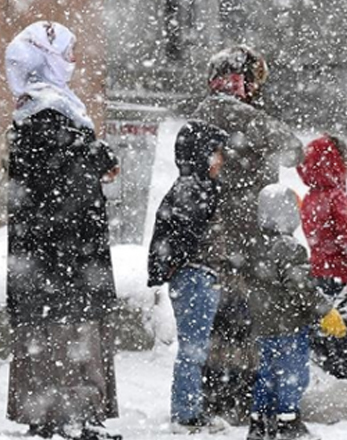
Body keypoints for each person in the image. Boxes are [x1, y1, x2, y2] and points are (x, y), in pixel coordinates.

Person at [4, 21, 122, 439]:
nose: (72, 60)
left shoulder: (40, 109)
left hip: (45, 259)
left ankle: (52, 415)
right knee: (70, 334)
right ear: (46, 58)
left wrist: (91, 155)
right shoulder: (49, 112)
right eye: (66, 53)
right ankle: (71, 417)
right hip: (64, 259)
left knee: (48, 333)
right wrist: (92, 157)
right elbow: (62, 185)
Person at [190, 45, 305, 423]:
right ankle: (234, 398)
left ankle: (217, 395)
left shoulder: (205, 109)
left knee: (219, 319)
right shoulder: (232, 111)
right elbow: (293, 149)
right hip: (238, 234)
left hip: (215, 231)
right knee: (239, 316)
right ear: (239, 79)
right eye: (253, 79)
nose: (257, 88)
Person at [146, 121, 230, 433]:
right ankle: (185, 413)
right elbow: (180, 235)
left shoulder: (195, 187)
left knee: (197, 348)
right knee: (193, 349)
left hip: (198, 275)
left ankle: (191, 407)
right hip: (194, 276)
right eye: (216, 153)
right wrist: (177, 265)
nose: (220, 161)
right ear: (201, 154)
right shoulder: (194, 189)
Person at [246, 184, 347, 440]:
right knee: (292, 375)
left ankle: (260, 422)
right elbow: (301, 287)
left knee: (266, 375)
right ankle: (287, 422)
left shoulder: (256, 244)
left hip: (263, 326)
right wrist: (325, 311)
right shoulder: (289, 247)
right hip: (288, 325)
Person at [296, 134, 347, 299]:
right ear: (336, 163)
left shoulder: (310, 197)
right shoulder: (336, 197)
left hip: (319, 271)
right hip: (341, 274)